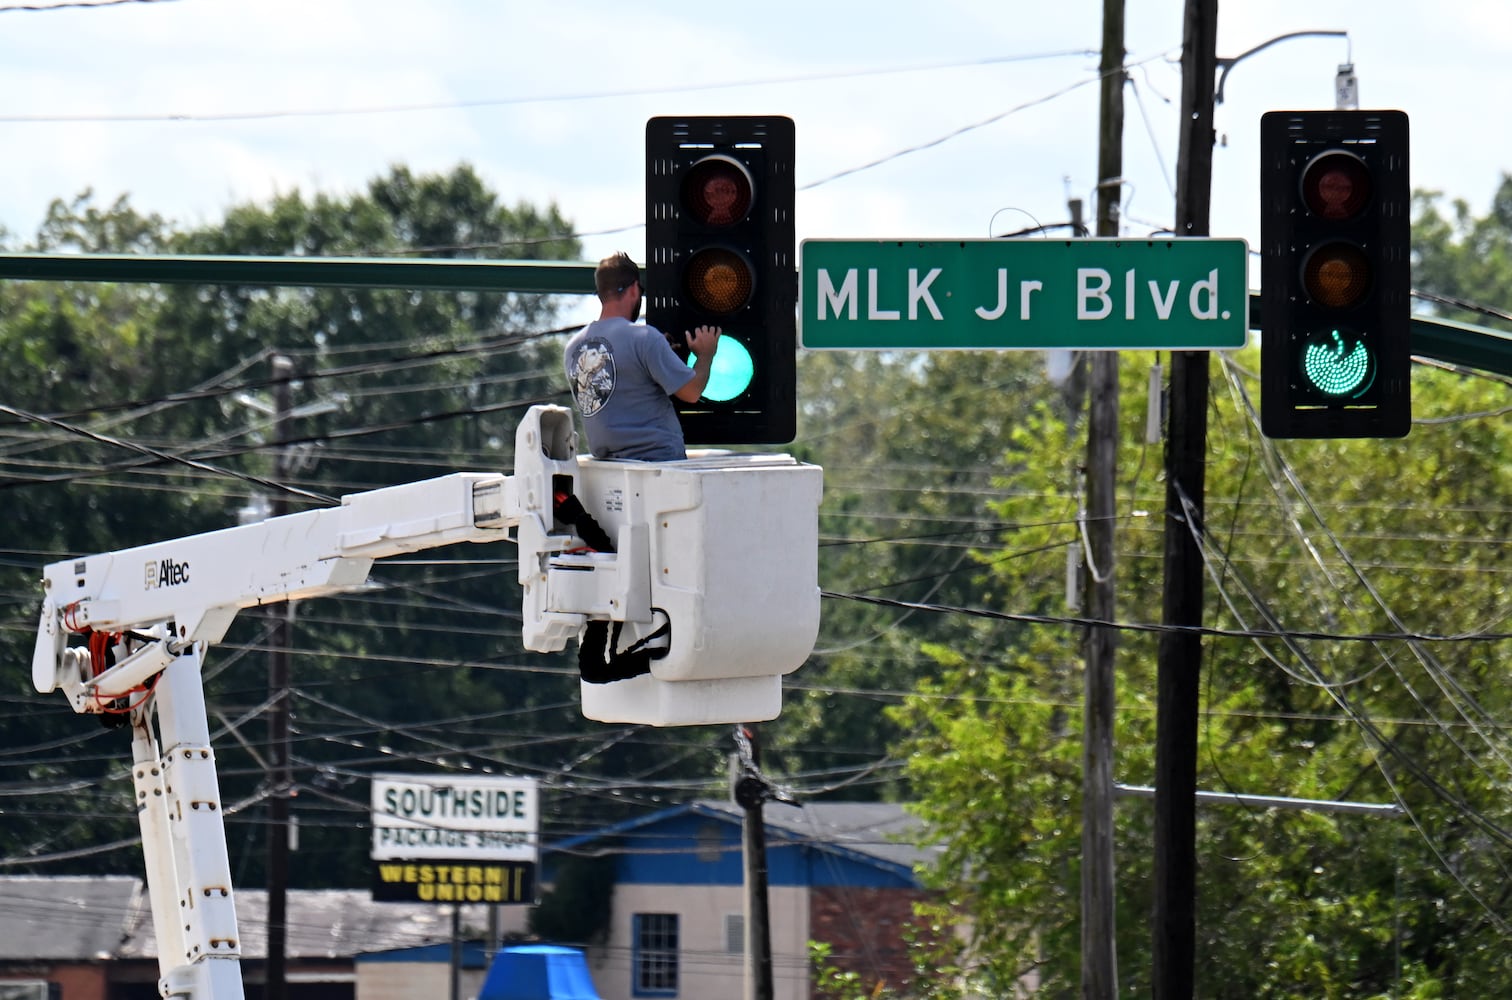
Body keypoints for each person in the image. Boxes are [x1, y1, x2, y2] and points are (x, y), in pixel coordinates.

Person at [563, 252, 720, 461]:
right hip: (660, 463)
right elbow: (692, 392)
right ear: (635, 289)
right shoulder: (644, 339)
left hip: (609, 470)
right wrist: (706, 354)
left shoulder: (573, 349)